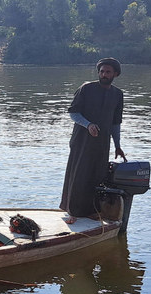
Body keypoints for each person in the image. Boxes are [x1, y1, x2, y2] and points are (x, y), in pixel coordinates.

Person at [60, 57, 127, 224]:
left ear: (115, 74)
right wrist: (88, 124)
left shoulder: (118, 94)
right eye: (102, 71)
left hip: (103, 141)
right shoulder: (86, 89)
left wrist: (118, 146)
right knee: (79, 174)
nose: (104, 74)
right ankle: (72, 211)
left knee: (98, 175)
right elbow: (73, 113)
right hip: (82, 139)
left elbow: (115, 122)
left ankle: (92, 211)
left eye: (108, 72)